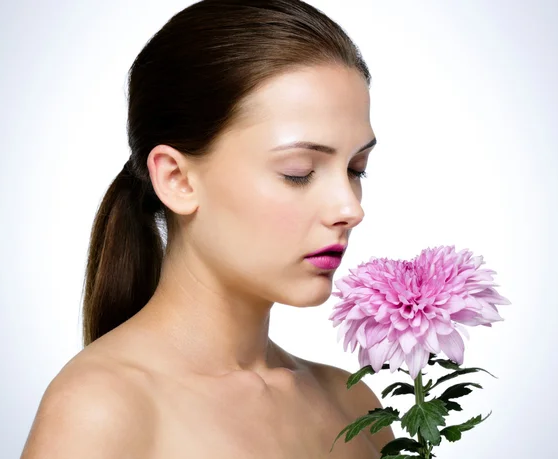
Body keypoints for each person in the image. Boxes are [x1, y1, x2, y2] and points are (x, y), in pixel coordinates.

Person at [20, 0, 394, 457]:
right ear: (177, 180)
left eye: (357, 168)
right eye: (299, 171)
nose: (349, 208)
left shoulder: (355, 405)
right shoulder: (101, 409)